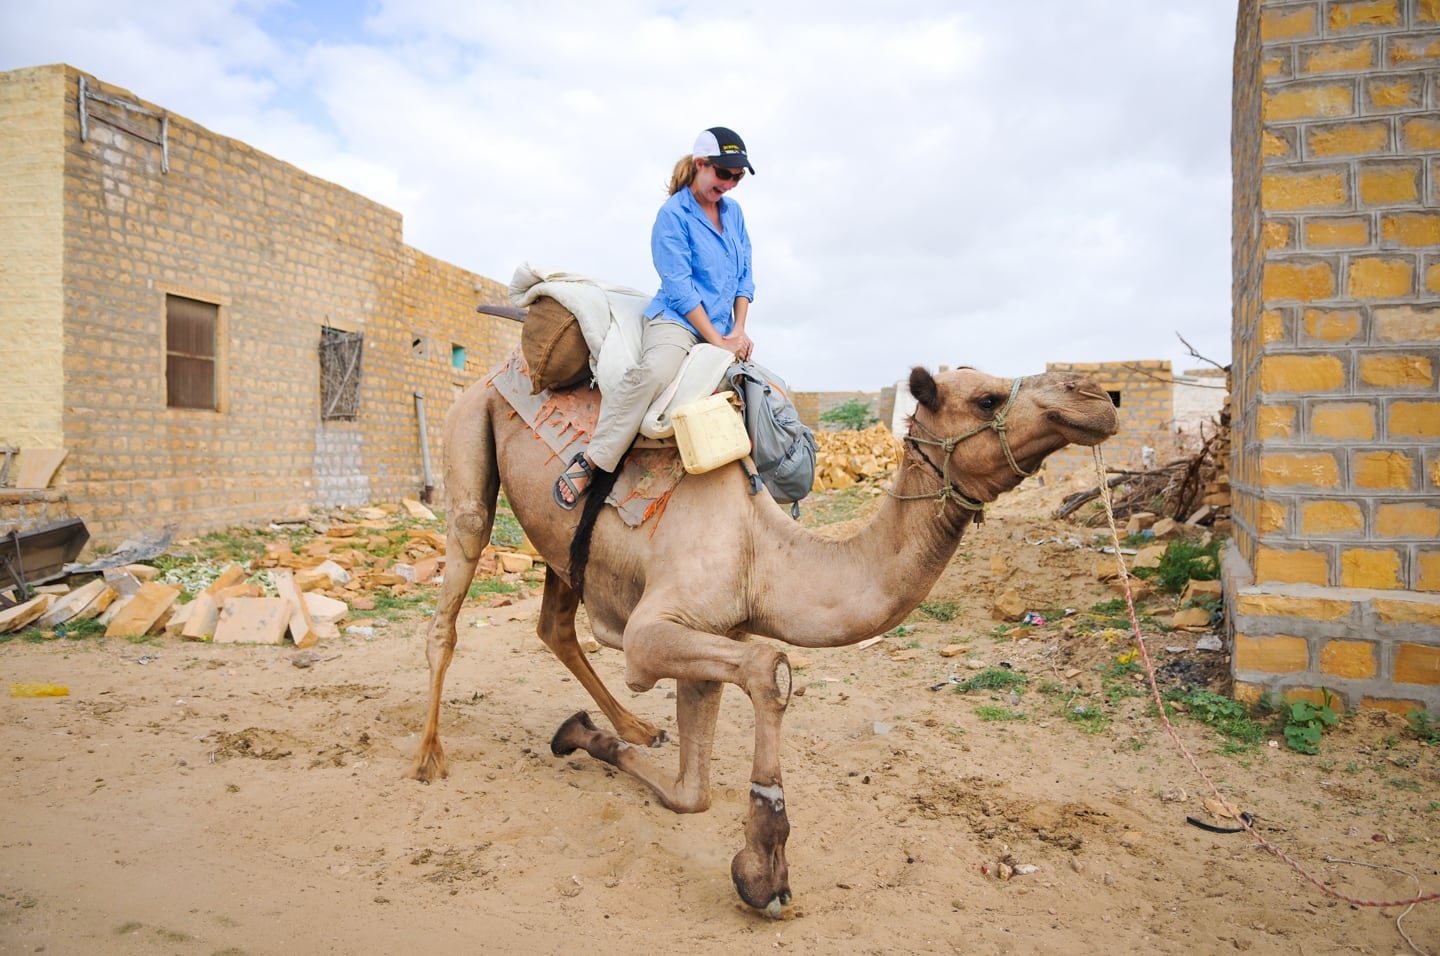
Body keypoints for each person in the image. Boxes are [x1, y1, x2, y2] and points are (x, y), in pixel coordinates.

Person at [554, 126, 757, 510]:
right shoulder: (673, 216)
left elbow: (745, 274)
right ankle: (594, 459)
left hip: (723, 325)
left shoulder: (734, 214)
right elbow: (680, 288)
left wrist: (739, 329)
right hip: (679, 319)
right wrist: (717, 341)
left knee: (758, 388)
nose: (730, 183)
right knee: (656, 371)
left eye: (737, 176)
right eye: (724, 173)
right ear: (701, 165)